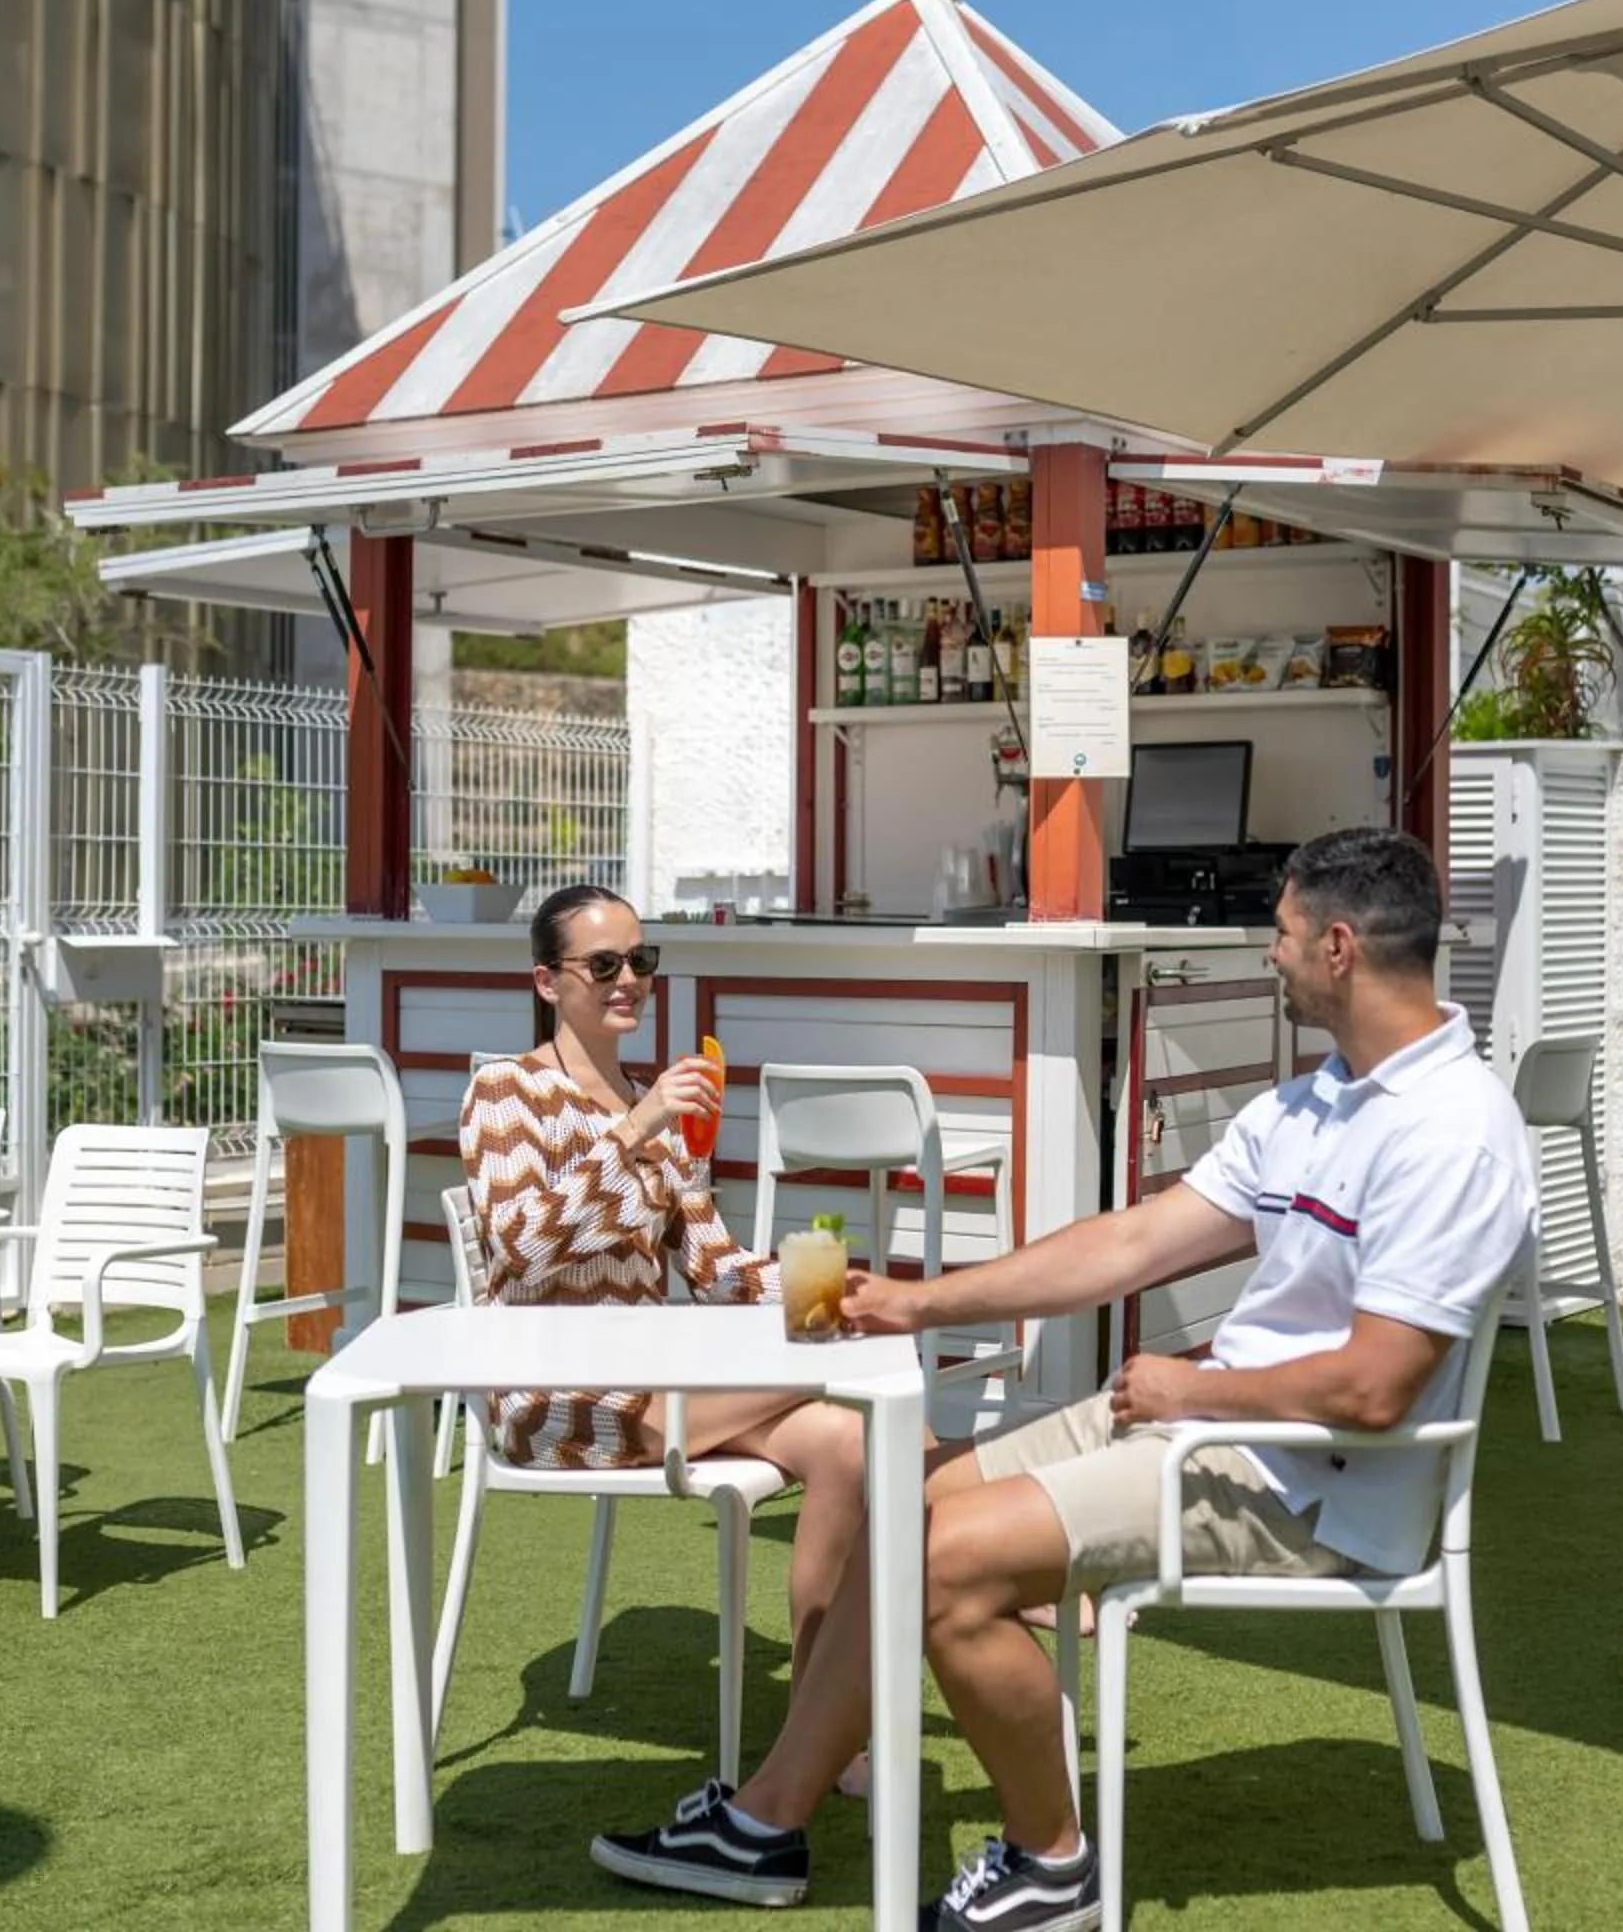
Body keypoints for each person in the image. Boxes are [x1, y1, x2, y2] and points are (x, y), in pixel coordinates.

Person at [589, 827, 1539, 1930]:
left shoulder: (1452, 1132)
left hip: (1321, 1485)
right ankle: (767, 1818)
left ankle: (1051, 1864)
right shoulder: (1318, 1099)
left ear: (1337, 947)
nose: (1266, 955)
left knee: (943, 1559)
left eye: (1278, 935)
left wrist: (1197, 1395)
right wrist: (918, 1297)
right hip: (1224, 1427)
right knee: (900, 1495)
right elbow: (1132, 1243)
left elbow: (1378, 1388)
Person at [459, 884, 878, 1702]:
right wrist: (634, 1129)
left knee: (846, 1437)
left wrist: (833, 1288)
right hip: (553, 1396)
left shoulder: (653, 1103)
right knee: (852, 1375)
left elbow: (717, 1270)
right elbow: (521, 1249)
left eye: (641, 962)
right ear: (548, 982)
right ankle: (985, 1555)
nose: (629, 980)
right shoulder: (504, 1092)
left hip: (653, 1383)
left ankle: (821, 1721)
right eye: (604, 964)